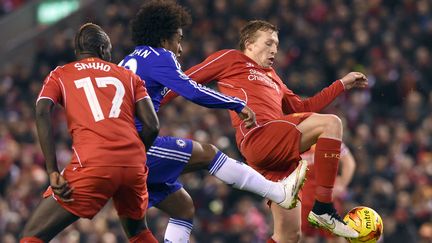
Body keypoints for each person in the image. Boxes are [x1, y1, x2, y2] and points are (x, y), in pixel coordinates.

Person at [162, 20, 368, 242]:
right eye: (269, 43)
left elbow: (302, 108)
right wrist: (147, 103)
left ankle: (321, 210)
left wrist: (341, 84)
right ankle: (324, 207)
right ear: (249, 44)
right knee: (331, 124)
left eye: (277, 45)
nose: (274, 50)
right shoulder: (231, 58)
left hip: (276, 154)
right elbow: (184, 80)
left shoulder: (274, 77)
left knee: (289, 236)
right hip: (259, 136)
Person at [119, 2, 307, 242]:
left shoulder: (127, 60)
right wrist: (236, 104)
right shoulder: (161, 56)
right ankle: (278, 192)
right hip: (135, 147)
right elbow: (192, 90)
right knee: (208, 154)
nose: (180, 48)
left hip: (115, 148)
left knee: (182, 208)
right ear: (164, 38)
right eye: (178, 39)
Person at [20, 23, 160, 243]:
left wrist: (52, 169)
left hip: (93, 164)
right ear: (104, 50)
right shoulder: (129, 76)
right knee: (138, 232)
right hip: (133, 163)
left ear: (78, 53)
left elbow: (41, 111)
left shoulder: (61, 75)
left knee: (31, 235)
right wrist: (131, 154)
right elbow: (152, 126)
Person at [300, 143, 356, 243]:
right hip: (305, 197)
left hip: (328, 198)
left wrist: (341, 185)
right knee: (303, 236)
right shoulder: (300, 140)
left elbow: (349, 162)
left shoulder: (330, 139)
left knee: (334, 237)